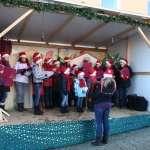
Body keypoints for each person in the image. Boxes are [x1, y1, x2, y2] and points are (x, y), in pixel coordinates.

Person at [88, 69, 116, 146]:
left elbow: (95, 95)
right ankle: (105, 139)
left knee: (99, 123)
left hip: (99, 105)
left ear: (104, 76)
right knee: (106, 121)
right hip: (108, 105)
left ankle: (98, 141)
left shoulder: (101, 83)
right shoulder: (114, 84)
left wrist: (88, 92)